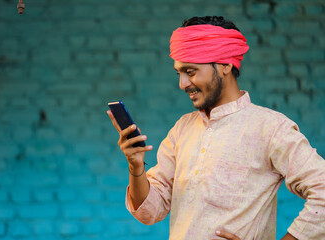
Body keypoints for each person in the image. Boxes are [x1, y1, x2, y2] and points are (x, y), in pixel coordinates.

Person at [107, 16, 325, 240]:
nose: (182, 84)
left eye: (190, 72)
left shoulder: (271, 128)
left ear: (225, 65)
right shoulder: (182, 129)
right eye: (179, 73)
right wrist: (136, 165)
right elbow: (150, 212)